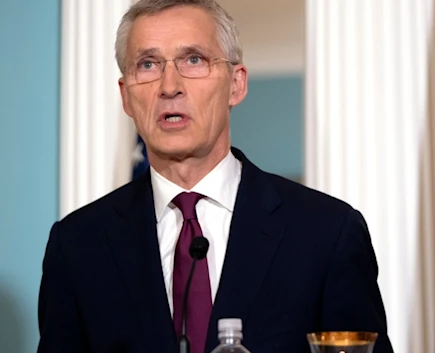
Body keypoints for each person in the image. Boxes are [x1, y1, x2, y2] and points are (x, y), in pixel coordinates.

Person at [37, 1, 394, 353]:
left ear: (236, 85)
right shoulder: (78, 246)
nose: (169, 86)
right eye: (148, 64)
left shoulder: (327, 233)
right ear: (126, 96)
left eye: (194, 60)